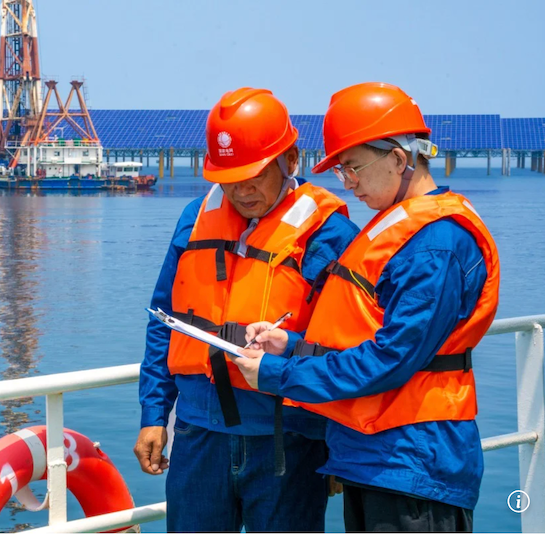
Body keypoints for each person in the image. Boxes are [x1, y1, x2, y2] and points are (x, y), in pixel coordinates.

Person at [232, 82, 500, 532]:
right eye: (341, 172)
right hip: (373, 455)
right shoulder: (401, 229)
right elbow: (366, 335)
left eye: (353, 167)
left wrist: (279, 374)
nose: (348, 182)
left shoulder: (435, 247)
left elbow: (391, 358)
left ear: (398, 158)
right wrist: (292, 346)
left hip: (414, 463)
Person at [134, 87, 359, 532]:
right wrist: (154, 415)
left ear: (290, 160)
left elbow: (348, 347)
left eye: (254, 174)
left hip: (287, 442)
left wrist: (340, 443)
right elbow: (164, 320)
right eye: (229, 177)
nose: (241, 189)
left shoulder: (330, 233)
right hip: (198, 436)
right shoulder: (194, 218)